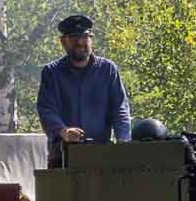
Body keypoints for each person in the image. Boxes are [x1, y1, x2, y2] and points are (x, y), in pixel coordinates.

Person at [36, 13, 131, 151]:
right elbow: (46, 110)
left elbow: (120, 109)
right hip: (63, 154)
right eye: (73, 37)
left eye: (84, 37)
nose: (80, 42)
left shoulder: (108, 70)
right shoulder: (51, 72)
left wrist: (124, 142)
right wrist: (64, 131)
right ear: (63, 41)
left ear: (91, 39)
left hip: (102, 154)